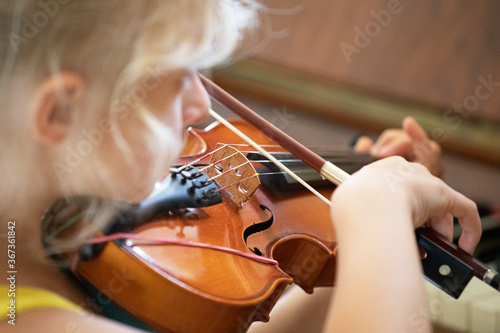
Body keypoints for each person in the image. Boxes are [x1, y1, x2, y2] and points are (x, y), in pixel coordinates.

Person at [0, 1, 480, 332]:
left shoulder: (29, 249)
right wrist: (378, 213)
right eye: (177, 77)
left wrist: (362, 247)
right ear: (61, 112)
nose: (199, 102)